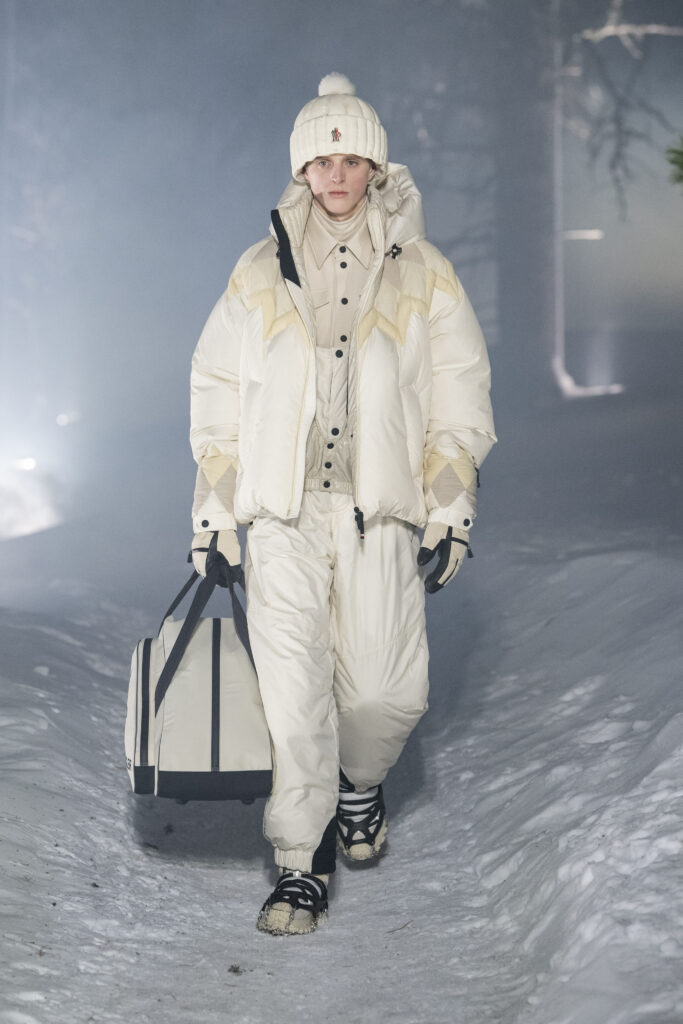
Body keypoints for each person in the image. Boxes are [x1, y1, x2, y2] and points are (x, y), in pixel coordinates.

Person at [189, 73, 496, 936]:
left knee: (383, 697)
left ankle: (360, 786)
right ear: (300, 169)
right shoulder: (257, 271)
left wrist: (449, 508)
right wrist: (214, 516)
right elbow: (217, 395)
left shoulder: (424, 273)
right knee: (295, 702)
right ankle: (300, 865)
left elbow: (458, 394)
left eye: (351, 159)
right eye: (320, 160)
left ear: (374, 168)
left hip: (378, 513)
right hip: (280, 517)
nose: (335, 173)